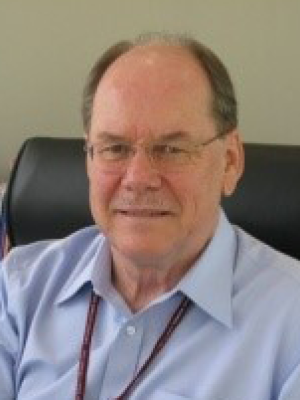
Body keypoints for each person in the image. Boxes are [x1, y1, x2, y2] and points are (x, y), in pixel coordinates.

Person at [1, 33, 300, 400]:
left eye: (171, 149)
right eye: (115, 148)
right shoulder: (18, 290)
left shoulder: (291, 323)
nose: (138, 178)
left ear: (230, 162)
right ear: (89, 160)